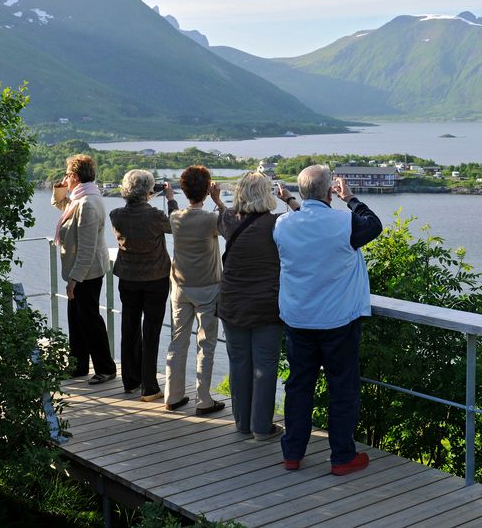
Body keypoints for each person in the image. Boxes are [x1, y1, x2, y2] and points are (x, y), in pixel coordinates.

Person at [273, 165, 382, 475]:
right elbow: (374, 225)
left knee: (299, 388)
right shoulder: (345, 223)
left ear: (302, 191)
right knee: (342, 390)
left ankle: (292, 454)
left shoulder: (282, 225)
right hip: (339, 321)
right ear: (329, 192)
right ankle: (342, 457)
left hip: (298, 320)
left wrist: (290, 201)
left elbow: (307, 223)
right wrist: (351, 198)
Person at [217, 173, 300, 439]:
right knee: (265, 367)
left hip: (232, 303)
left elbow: (226, 216)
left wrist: (218, 200)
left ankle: (242, 423)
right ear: (267, 194)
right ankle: (262, 427)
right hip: (266, 304)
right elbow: (305, 221)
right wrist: (289, 199)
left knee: (239, 364)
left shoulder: (228, 219)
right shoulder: (278, 224)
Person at [109, 169, 178, 402]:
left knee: (129, 327)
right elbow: (175, 225)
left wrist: (147, 196)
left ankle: (130, 380)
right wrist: (170, 199)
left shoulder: (116, 215)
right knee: (151, 332)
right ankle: (149, 386)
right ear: (148, 191)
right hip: (155, 279)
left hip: (128, 278)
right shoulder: (156, 216)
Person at [164, 165, 227, 415]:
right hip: (208, 288)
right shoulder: (211, 219)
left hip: (180, 287)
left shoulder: (175, 218)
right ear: (206, 190)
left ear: (185, 190)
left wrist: (171, 198)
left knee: (178, 342)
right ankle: (204, 399)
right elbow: (231, 225)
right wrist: (218, 201)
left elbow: (172, 210)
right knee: (206, 344)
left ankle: (173, 395)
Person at [52, 153, 117, 385]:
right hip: (82, 271)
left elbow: (87, 248)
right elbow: (61, 205)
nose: (65, 178)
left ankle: (106, 368)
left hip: (87, 272)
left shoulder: (87, 203)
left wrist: (74, 280)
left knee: (89, 320)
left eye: (68, 175)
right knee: (77, 318)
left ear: (76, 176)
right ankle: (78, 365)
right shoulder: (82, 197)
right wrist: (60, 188)